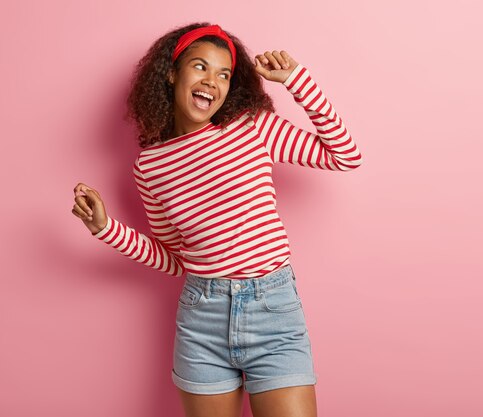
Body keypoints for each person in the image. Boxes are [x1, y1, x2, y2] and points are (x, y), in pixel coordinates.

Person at [71, 22, 362, 417]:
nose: (212, 81)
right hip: (201, 317)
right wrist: (107, 230)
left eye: (223, 74)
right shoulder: (149, 167)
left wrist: (297, 81)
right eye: (200, 67)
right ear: (172, 73)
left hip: (273, 309)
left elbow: (344, 155)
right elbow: (174, 259)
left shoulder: (251, 127)